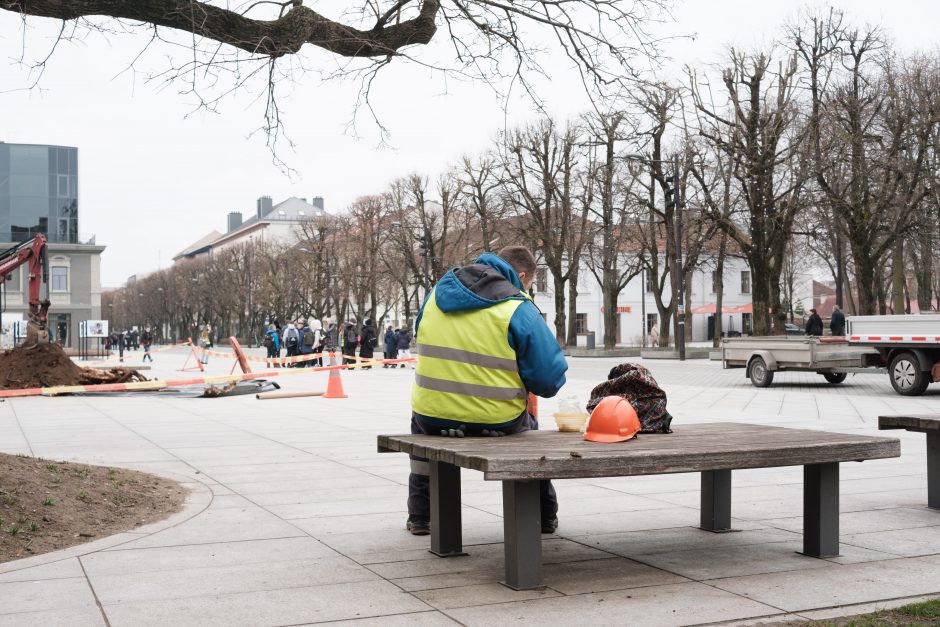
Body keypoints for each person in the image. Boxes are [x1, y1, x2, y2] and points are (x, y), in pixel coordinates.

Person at [406, 245, 568, 536]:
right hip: (497, 422)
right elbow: (549, 381)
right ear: (520, 275)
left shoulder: (435, 295)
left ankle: (421, 516)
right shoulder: (518, 307)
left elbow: (421, 333)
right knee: (530, 427)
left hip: (432, 417)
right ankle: (544, 516)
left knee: (421, 427)